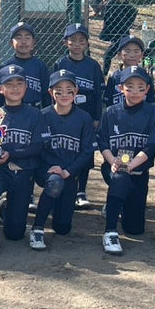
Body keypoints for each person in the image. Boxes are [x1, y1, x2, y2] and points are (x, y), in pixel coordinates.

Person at [0, 65, 49, 254]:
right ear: (0, 89)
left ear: (26, 87)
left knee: (15, 233)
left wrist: (11, 153)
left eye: (19, 84)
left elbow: (38, 146)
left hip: (23, 171)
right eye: (9, 84)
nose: (15, 88)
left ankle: (5, 208)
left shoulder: (35, 114)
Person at [98, 66, 155, 255]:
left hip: (139, 171)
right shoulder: (110, 112)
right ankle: (110, 231)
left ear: (147, 89)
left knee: (135, 229)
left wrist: (131, 165)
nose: (135, 92)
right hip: (114, 168)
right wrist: (113, 162)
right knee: (120, 179)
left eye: (140, 87)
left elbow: (151, 146)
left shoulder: (153, 112)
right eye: (129, 87)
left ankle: (118, 203)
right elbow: (103, 143)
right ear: (120, 89)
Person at [30, 70, 95, 248]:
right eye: (59, 91)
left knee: (62, 227)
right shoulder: (42, 115)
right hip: (47, 170)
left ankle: (53, 203)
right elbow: (37, 147)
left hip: (69, 173)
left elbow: (87, 151)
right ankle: (37, 229)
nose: (64, 94)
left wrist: (68, 171)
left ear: (76, 91)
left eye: (69, 90)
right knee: (54, 183)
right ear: (51, 92)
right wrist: (52, 168)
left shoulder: (84, 118)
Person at [53, 23, 103, 209]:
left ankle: (81, 190)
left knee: (85, 150)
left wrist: (97, 117)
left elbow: (98, 94)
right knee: (65, 147)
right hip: (64, 113)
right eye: (72, 40)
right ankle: (63, 184)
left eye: (81, 41)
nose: (76, 44)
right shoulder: (61, 63)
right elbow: (53, 91)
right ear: (65, 42)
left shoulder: (93, 65)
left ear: (87, 44)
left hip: (86, 115)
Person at [0, 22, 50, 109]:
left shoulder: (40, 66)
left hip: (35, 109)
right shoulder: (6, 66)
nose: (23, 41)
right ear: (11, 42)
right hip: (11, 110)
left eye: (27, 38)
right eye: (18, 38)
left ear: (34, 42)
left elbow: (46, 94)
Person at [104, 37, 155, 107]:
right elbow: (108, 103)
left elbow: (151, 102)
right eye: (127, 51)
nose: (132, 55)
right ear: (119, 55)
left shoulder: (145, 76)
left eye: (136, 52)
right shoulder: (114, 77)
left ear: (142, 55)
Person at [98, 0, 138, 71]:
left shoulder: (110, 4)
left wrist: (105, 33)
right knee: (124, 55)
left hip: (118, 34)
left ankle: (104, 74)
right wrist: (127, 24)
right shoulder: (117, 2)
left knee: (108, 55)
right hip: (123, 32)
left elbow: (109, 19)